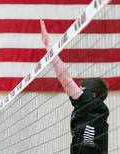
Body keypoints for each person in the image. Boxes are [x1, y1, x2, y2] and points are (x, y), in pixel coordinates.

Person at [40, 20, 109, 154]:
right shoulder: (90, 113)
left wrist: (48, 46)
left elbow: (64, 77)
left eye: (82, 88)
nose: (78, 90)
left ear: (92, 95)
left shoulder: (91, 105)